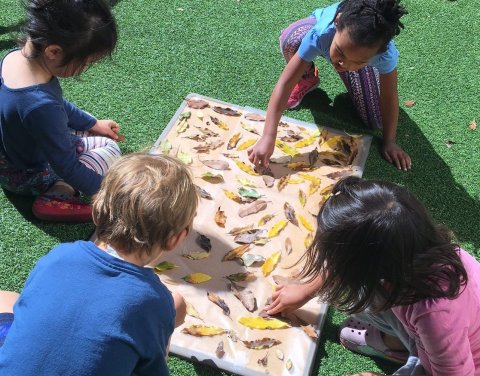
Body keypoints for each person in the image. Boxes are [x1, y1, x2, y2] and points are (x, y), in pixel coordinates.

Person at [0, 153, 198, 375]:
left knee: (5, 297)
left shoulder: (60, 255)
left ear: (95, 210)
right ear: (176, 239)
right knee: (175, 305)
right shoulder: (153, 301)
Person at [266, 177, 480, 375]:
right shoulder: (409, 248)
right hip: (434, 335)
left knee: (356, 322)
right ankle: (406, 345)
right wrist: (307, 289)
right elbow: (348, 255)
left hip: (463, 363)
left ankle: (414, 354)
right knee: (358, 308)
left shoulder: (436, 314)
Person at [248, 0, 412, 172]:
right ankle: (306, 77)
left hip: (356, 63)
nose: (342, 64)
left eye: (357, 61)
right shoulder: (320, 34)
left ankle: (352, 67)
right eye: (340, 52)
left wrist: (389, 141)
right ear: (337, 21)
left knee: (374, 121)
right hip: (323, 35)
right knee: (292, 38)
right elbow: (285, 83)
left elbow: (389, 95)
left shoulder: (385, 55)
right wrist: (268, 135)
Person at [0, 0, 122, 222]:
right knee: (109, 148)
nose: (83, 70)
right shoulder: (41, 106)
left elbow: (59, 106)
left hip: (9, 160)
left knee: (90, 134)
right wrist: (113, 196)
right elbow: (67, 166)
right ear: (54, 51)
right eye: (84, 63)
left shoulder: (11, 58)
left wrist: (92, 123)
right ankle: (59, 193)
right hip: (29, 176)